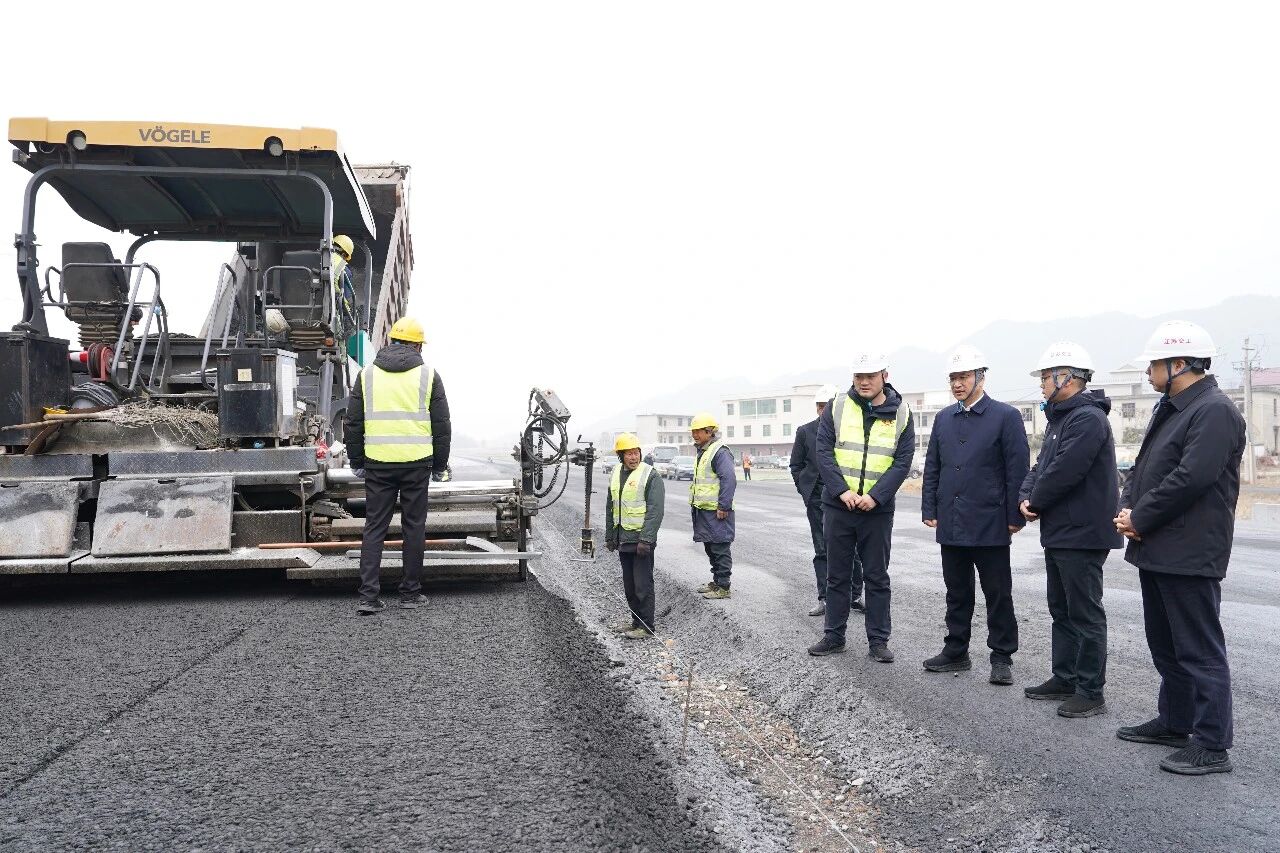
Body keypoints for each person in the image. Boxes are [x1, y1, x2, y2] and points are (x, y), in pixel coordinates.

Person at [1114, 321, 1245, 776]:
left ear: (1180, 364)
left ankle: (1212, 744)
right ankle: (1175, 722)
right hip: (1159, 545)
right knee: (1166, 643)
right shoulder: (1172, 408)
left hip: (1190, 550)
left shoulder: (1215, 411)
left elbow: (1192, 477)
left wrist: (1141, 517)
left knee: (1198, 649)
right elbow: (1144, 467)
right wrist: (1128, 508)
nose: (1149, 372)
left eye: (1154, 364)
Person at [1018, 341, 1121, 718]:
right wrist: (1025, 496)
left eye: (1046, 377)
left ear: (1068, 377)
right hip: (1061, 531)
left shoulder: (1088, 419)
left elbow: (1065, 471)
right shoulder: (1060, 419)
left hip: (1083, 533)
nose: (1042, 383)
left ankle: (1091, 690)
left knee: (1084, 613)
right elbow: (1041, 467)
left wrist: (1036, 502)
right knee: (1061, 609)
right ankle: (1065, 677)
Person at [921, 345, 1029, 685]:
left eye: (964, 377)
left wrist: (1015, 516)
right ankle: (956, 650)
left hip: (990, 520)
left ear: (981, 377)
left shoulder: (1005, 416)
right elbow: (933, 466)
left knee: (998, 592)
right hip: (951, 519)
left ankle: (1002, 657)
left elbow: (1017, 469)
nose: (957, 384)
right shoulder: (943, 419)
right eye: (953, 378)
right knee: (957, 591)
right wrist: (929, 507)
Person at [808, 352, 915, 661]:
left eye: (871, 376)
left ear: (885, 376)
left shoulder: (902, 413)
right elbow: (823, 452)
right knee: (837, 576)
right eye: (859, 376)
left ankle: (878, 641)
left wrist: (876, 496)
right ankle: (834, 636)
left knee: (877, 576)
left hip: (876, 510)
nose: (864, 382)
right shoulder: (837, 406)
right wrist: (841, 491)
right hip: (839, 506)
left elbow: (902, 461)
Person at [343, 317, 451, 615]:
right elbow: (442, 426)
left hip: (378, 464)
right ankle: (410, 594)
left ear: (391, 341)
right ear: (418, 346)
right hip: (417, 464)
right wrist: (440, 465)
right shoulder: (429, 375)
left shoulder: (367, 375)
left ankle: (368, 597)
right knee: (413, 528)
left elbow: (353, 423)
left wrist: (356, 461)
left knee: (374, 527)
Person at [790, 384, 865, 618]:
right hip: (817, 499)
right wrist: (807, 491)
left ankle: (855, 596)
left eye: (828, 406)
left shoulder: (850, 430)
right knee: (822, 548)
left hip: (846, 498)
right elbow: (796, 465)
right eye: (820, 406)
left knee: (852, 549)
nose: (823, 410)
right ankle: (824, 598)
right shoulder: (805, 432)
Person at [605, 433, 666, 638]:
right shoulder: (616, 473)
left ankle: (646, 627)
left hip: (641, 541)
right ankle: (635, 622)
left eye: (636, 452)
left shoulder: (650, 475)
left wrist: (646, 539)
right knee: (630, 586)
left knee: (643, 585)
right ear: (621, 456)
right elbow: (611, 506)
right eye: (629, 454)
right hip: (623, 540)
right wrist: (610, 536)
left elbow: (655, 511)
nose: (634, 457)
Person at [689, 412, 737, 600]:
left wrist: (723, 506)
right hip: (704, 510)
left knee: (720, 547)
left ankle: (724, 586)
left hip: (717, 511)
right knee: (710, 547)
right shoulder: (704, 451)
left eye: (699, 431)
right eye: (693, 431)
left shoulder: (720, 452)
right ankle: (717, 581)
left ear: (710, 432)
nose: (695, 435)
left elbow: (728, 479)